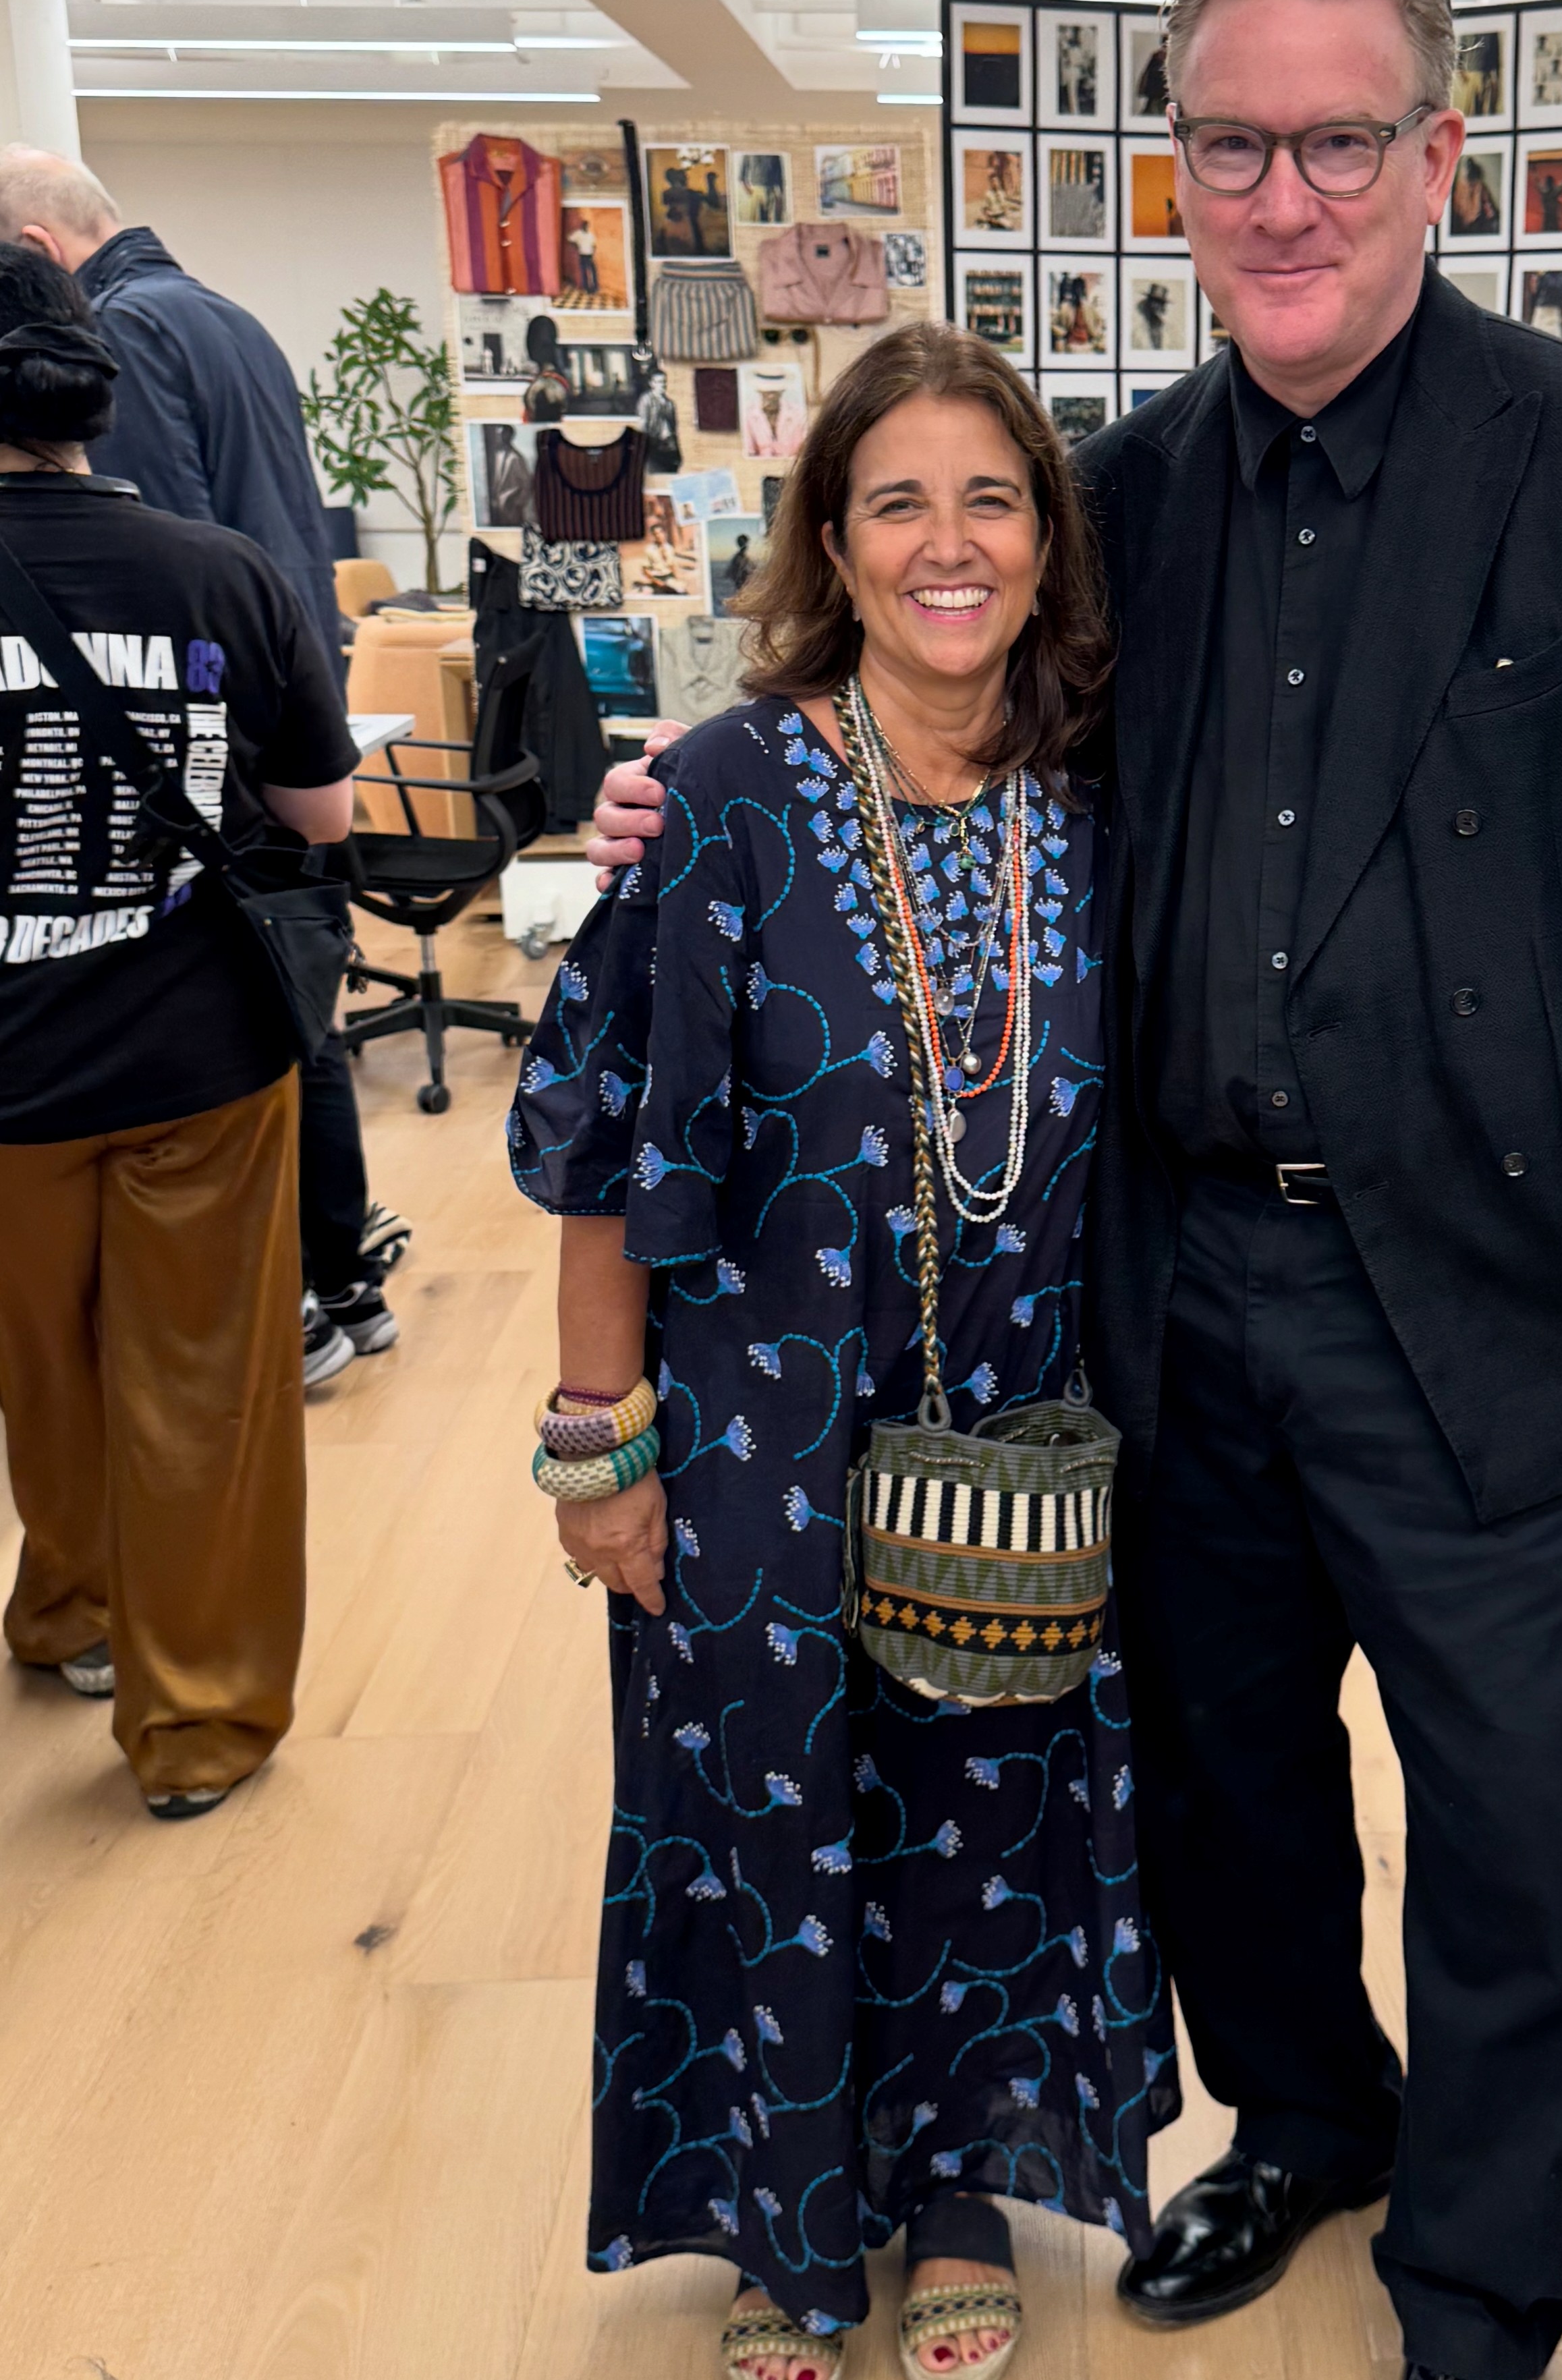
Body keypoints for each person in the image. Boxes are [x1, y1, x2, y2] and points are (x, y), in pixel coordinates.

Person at [592, 0, 1562, 2380]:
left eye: (1337, 143)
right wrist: (701, 788)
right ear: (1173, 166)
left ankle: (1485, 2279)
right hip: (1171, 1278)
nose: (1283, 198)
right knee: (1222, 1777)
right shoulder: (1128, 497)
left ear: (1442, 158)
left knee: (1513, 1817)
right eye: (1230, 147)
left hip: (1483, 1290)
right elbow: (940, 742)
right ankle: (1307, 2115)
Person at [513, 321, 1177, 2380]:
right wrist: (599, 1444)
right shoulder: (722, 796)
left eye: (991, 499)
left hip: (1012, 1432)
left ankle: (958, 2182)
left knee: (984, 1799)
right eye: (898, 503)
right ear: (830, 541)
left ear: (1049, 544)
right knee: (769, 1814)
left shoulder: (1100, 802)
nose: (947, 543)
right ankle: (787, 2231)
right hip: (758, 1436)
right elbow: (612, 1144)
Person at [0, 242, 356, 1815]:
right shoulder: (223, 574)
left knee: (42, 1366)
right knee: (204, 1385)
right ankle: (196, 1722)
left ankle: (69, 1609)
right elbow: (321, 815)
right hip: (197, 1051)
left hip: (9, 1068)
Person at [0, 145, 399, 1377]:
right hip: (277, 743)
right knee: (295, 1005)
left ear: (38, 256)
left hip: (181, 807)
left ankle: (295, 1302)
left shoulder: (127, 333)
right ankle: (338, 1278)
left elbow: (139, 579)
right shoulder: (236, 323)